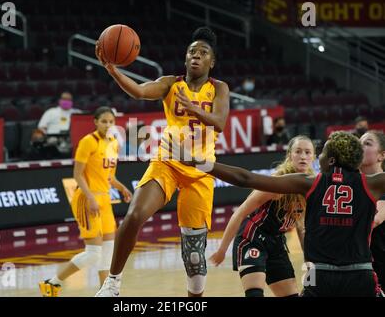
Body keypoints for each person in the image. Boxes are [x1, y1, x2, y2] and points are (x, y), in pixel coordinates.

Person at [95, 27, 230, 297]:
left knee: (194, 258)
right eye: (192, 51)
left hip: (200, 171)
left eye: (203, 53)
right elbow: (139, 92)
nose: (196, 56)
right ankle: (112, 283)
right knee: (134, 216)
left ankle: (194, 298)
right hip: (167, 162)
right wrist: (113, 71)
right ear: (185, 58)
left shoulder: (219, 88)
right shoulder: (171, 83)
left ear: (211, 62)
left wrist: (193, 108)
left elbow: (220, 123)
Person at [182, 131, 385, 296]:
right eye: (300, 152)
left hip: (321, 276)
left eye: (318, 153)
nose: (313, 157)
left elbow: (245, 178)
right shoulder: (373, 184)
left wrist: (198, 162)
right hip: (359, 273)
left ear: (330, 160)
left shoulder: (309, 183)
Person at [39, 107, 133, 297]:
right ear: (95, 122)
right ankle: (52, 283)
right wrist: (90, 197)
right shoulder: (88, 142)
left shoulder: (114, 143)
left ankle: (104, 293)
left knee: (108, 253)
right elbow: (77, 174)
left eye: (111, 122)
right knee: (93, 253)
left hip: (105, 198)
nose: (108, 125)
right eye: (104, 121)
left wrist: (122, 188)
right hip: (86, 198)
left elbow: (110, 177)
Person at [209, 135, 315, 297]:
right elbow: (240, 212)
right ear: (289, 156)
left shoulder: (311, 187)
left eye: (308, 152)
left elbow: (302, 228)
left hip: (276, 242)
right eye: (298, 151)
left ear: (313, 157)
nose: (303, 156)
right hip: (252, 238)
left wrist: (309, 264)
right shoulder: (276, 183)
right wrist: (222, 250)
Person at [359, 130, 385, 291]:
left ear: (381, 155)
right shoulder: (352, 183)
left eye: (367, 143)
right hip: (359, 265)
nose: (360, 147)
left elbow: (375, 219)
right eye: (359, 142)